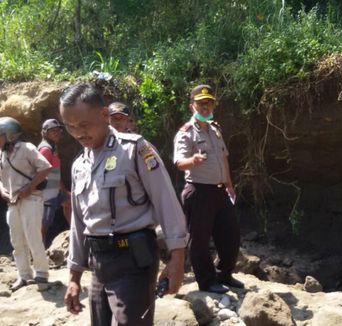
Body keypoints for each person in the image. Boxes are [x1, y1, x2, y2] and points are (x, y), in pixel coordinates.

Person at [60, 83, 188, 326]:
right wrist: (74, 277)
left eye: (84, 125)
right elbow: (79, 223)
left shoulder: (134, 149)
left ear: (104, 115)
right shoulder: (79, 165)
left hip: (133, 262)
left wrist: (177, 259)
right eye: (70, 127)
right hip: (99, 265)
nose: (78, 133)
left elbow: (166, 202)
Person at [173, 84, 242, 294]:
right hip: (199, 191)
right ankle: (207, 281)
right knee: (200, 240)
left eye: (209, 103)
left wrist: (229, 185)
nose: (206, 107)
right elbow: (178, 162)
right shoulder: (186, 132)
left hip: (221, 191)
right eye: (201, 103)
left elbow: (224, 158)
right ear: (192, 106)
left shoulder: (215, 129)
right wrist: (192, 160)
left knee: (231, 236)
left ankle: (225, 274)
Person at [0, 117, 52, 291]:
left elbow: (45, 168)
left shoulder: (27, 148)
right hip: (13, 203)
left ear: (9, 135)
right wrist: (2, 191)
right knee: (17, 241)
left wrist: (29, 188)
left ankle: (42, 274)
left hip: (31, 199)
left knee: (32, 237)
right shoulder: (1, 155)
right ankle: (24, 276)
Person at [38, 118, 70, 246]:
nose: (56, 133)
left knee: (69, 203)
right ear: (45, 132)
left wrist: (63, 189)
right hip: (47, 192)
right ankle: (38, 252)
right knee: (44, 224)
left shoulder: (52, 147)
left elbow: (55, 171)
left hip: (55, 189)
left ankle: (73, 233)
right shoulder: (45, 149)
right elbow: (40, 171)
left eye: (58, 130)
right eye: (52, 131)